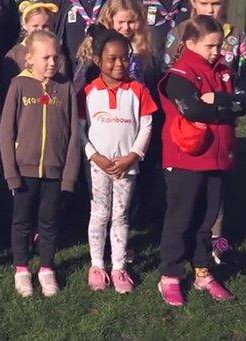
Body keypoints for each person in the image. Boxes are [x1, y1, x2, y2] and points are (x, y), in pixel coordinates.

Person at [156, 15, 246, 307]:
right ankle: (170, 275)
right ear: (189, 43)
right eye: (210, 46)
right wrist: (223, 104)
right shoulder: (179, 75)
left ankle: (202, 271)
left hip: (218, 158)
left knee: (207, 220)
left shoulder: (223, 69)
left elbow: (242, 104)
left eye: (219, 45)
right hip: (187, 158)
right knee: (180, 218)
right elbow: (193, 110)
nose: (216, 51)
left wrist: (216, 101)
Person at [163, 0, 246, 263]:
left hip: (223, 117)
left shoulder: (235, 34)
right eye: (204, 3)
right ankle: (179, 252)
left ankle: (216, 238)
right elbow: (170, 69)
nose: (210, 9)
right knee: (189, 190)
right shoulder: (180, 32)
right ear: (193, 3)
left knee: (216, 184)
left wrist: (236, 96)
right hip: (190, 124)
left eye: (216, 4)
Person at [0, 30, 81, 298]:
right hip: (24, 171)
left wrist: (69, 175)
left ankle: (47, 268)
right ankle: (21, 269)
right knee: (21, 222)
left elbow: (72, 135)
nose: (51, 62)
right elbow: (6, 132)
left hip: (55, 172)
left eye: (55, 57)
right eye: (45, 57)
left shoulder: (65, 87)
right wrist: (11, 173)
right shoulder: (18, 86)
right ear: (29, 59)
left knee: (49, 221)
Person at [81, 30, 158, 295]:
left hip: (128, 167)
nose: (119, 64)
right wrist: (96, 156)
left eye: (124, 58)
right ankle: (97, 266)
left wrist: (133, 156)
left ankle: (118, 267)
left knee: (121, 216)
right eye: (111, 59)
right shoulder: (88, 93)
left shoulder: (138, 90)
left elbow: (147, 125)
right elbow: (80, 130)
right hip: (98, 166)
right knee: (100, 214)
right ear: (96, 59)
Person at [75, 0, 155, 87]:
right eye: (121, 22)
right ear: (109, 21)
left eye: (131, 22)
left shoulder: (143, 48)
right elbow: (81, 85)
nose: (126, 27)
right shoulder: (96, 48)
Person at [2, 1, 67, 89]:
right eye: (35, 26)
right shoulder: (14, 55)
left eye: (45, 26)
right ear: (25, 25)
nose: (40, 30)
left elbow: (62, 84)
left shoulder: (57, 54)